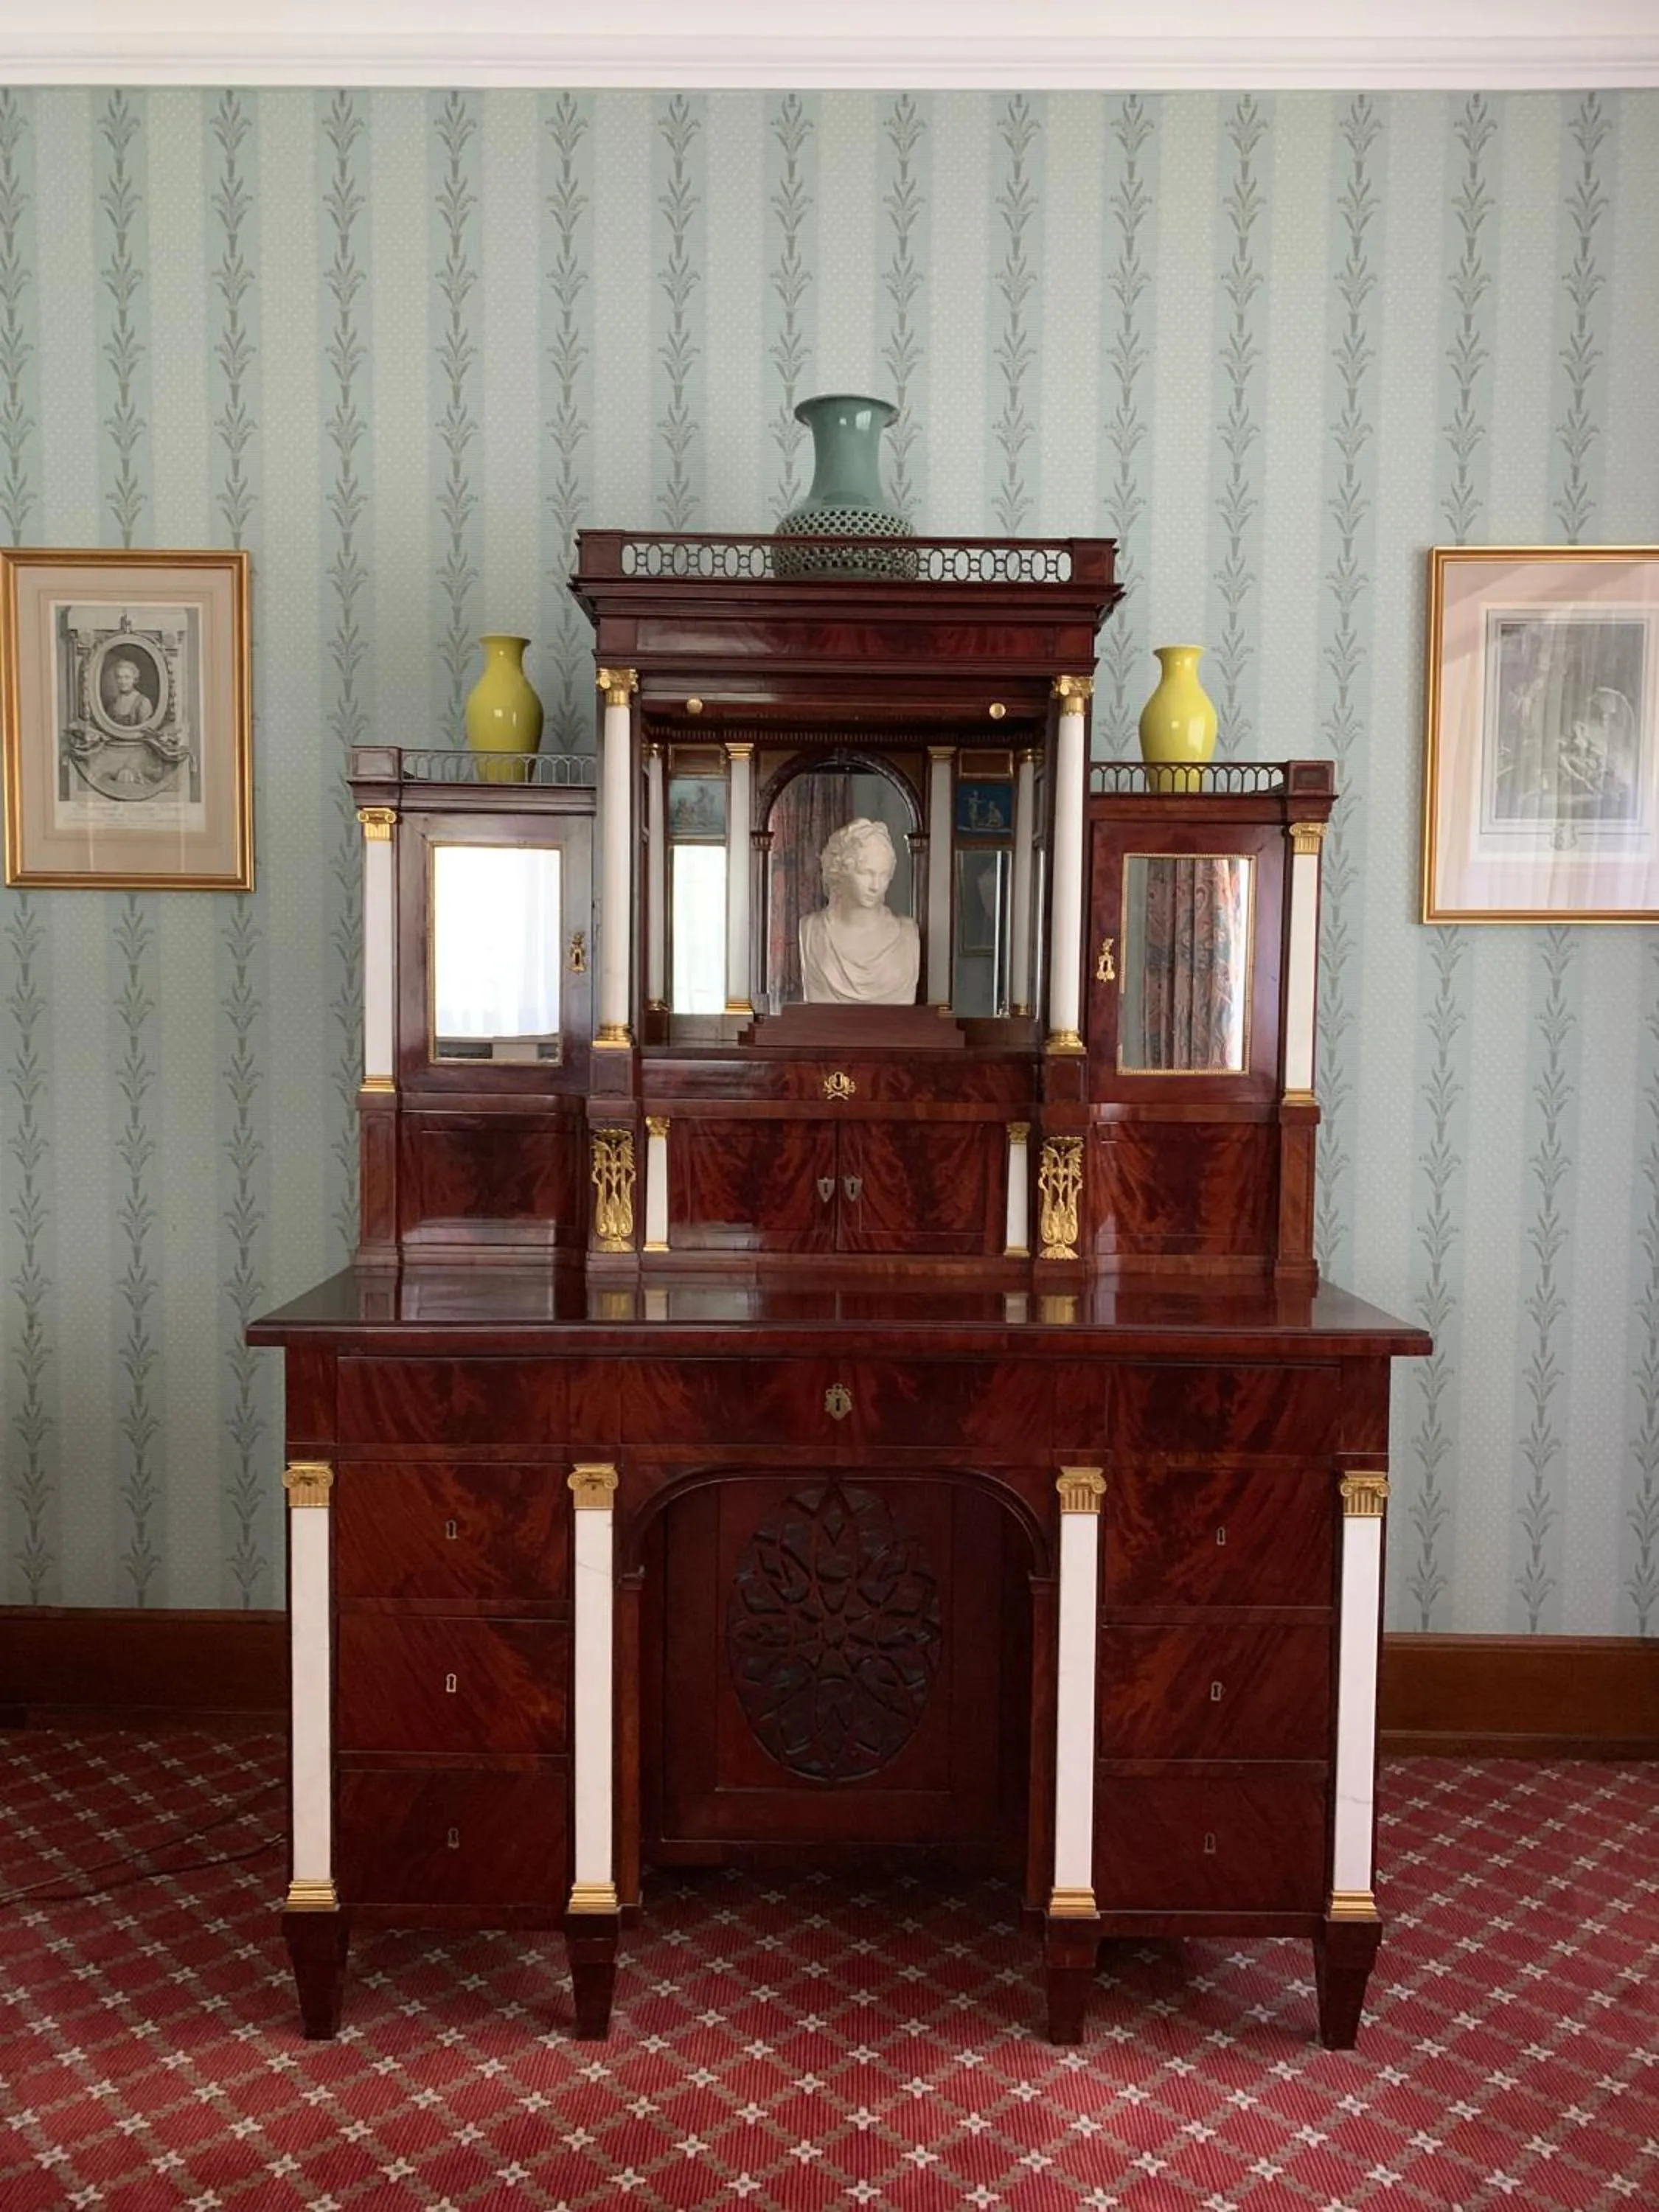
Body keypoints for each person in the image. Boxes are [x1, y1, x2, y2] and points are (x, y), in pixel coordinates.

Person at [799, 817, 920, 1005]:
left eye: (883, 875)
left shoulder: (906, 934)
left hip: (894, 1030)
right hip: (825, 1030)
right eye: (866, 873)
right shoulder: (812, 931)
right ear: (840, 870)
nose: (876, 886)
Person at [105, 654, 154, 726]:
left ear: (135, 679)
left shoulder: (143, 703)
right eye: (119, 677)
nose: (123, 682)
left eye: (127, 677)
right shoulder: (113, 703)